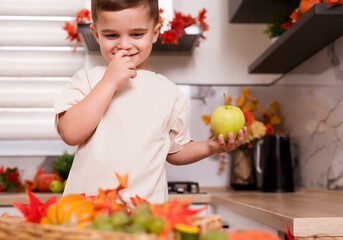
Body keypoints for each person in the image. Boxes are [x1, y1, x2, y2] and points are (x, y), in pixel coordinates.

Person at [54, 0, 248, 204]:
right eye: (111, 35)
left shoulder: (170, 93)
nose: (125, 45)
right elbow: (70, 132)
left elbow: (175, 151)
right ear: (96, 34)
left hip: (146, 217)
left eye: (137, 34)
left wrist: (210, 147)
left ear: (155, 32)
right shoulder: (87, 80)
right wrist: (109, 82)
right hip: (86, 213)